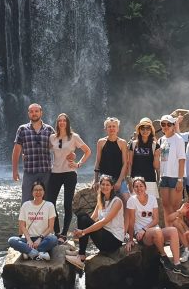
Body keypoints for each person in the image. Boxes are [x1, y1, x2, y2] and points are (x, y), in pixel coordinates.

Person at [125, 177, 188, 277]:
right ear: (133, 189)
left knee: (173, 230)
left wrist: (144, 229)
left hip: (152, 231)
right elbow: (131, 222)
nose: (139, 188)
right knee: (157, 231)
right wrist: (131, 239)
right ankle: (163, 256)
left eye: (141, 186)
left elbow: (156, 220)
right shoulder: (131, 201)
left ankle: (177, 264)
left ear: (145, 187)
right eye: (136, 186)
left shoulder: (152, 198)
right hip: (142, 235)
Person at [45, 113, 91, 243]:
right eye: (59, 120)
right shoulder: (52, 137)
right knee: (50, 202)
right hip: (55, 172)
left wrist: (78, 164)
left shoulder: (74, 137)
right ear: (57, 123)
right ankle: (56, 231)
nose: (62, 122)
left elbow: (88, 151)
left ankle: (64, 234)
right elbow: (44, 150)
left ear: (67, 122)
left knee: (67, 204)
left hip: (70, 173)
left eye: (64, 120)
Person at [65, 174, 125, 271]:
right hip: (104, 237)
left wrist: (83, 231)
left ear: (112, 187)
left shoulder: (117, 202)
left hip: (114, 241)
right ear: (100, 186)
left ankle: (81, 256)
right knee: (82, 216)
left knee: (83, 219)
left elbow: (103, 222)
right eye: (103, 184)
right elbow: (92, 219)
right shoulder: (101, 200)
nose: (105, 187)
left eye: (107, 185)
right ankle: (81, 253)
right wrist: (80, 232)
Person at [12, 103, 54, 203]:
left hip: (46, 172)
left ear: (41, 113)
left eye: (36, 111)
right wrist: (14, 171)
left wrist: (71, 154)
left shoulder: (49, 129)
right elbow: (16, 151)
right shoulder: (22, 129)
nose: (34, 113)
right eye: (31, 111)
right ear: (28, 114)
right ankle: (25, 219)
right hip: (29, 171)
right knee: (26, 201)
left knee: (47, 202)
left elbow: (58, 147)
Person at [7, 180, 59, 261]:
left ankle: (28, 252)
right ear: (32, 192)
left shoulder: (49, 205)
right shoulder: (25, 205)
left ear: (44, 192)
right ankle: (39, 252)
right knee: (12, 240)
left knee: (54, 240)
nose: (38, 192)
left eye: (40, 190)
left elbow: (51, 227)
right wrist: (29, 240)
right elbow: (22, 225)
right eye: (35, 190)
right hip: (28, 238)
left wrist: (40, 238)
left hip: (43, 239)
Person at [93, 117, 129, 206]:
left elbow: (125, 163)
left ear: (118, 129)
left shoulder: (122, 142)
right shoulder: (101, 142)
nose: (112, 128)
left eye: (114, 126)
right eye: (109, 127)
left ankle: (128, 220)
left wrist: (119, 181)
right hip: (104, 178)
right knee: (104, 203)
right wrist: (95, 180)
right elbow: (97, 161)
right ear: (106, 129)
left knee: (128, 201)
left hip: (118, 177)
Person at [157, 114, 186, 220]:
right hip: (164, 176)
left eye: (169, 124)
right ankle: (168, 231)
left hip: (175, 177)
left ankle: (178, 235)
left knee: (175, 208)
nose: (166, 126)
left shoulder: (178, 139)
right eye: (163, 124)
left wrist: (180, 180)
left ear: (174, 125)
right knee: (166, 206)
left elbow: (182, 160)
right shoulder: (161, 140)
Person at [126, 117, 160, 199]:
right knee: (135, 206)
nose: (145, 131)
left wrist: (157, 154)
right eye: (142, 128)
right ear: (139, 130)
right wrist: (129, 179)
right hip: (135, 180)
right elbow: (130, 163)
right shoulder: (133, 144)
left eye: (148, 128)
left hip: (150, 180)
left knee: (150, 206)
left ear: (151, 130)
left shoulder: (155, 145)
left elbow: (156, 166)